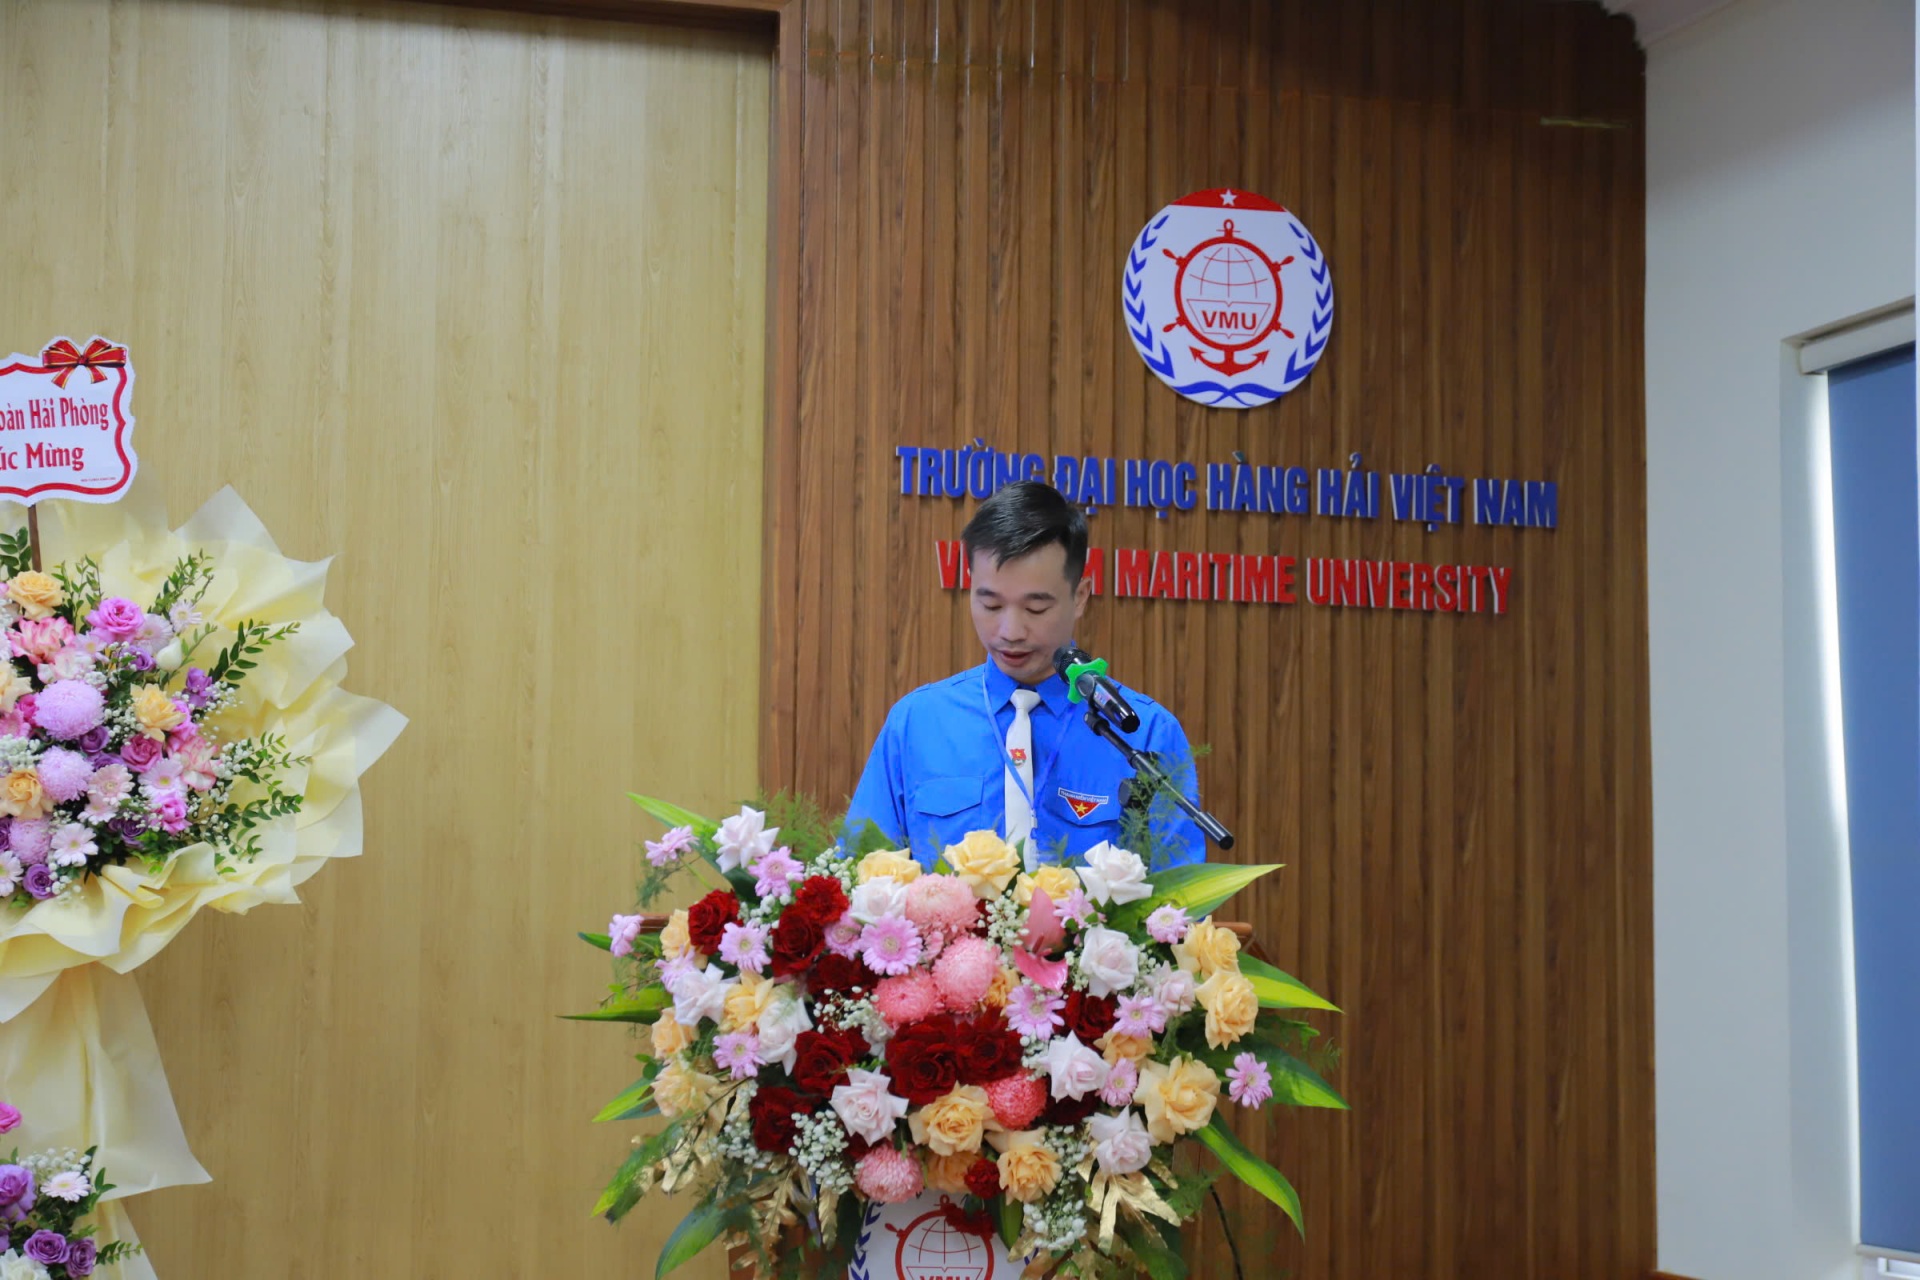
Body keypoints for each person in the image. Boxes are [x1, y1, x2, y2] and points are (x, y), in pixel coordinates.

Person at [846, 480, 1206, 870]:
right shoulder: (917, 723)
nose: (1011, 631)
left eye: (1035, 609)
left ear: (1080, 596)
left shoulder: (1144, 732)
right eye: (991, 604)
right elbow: (860, 877)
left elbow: (1181, 896)